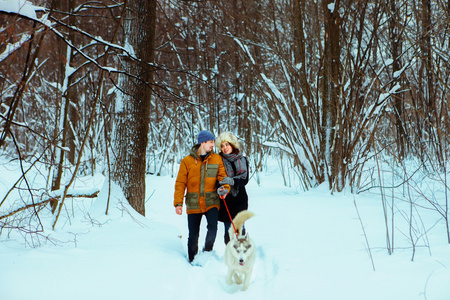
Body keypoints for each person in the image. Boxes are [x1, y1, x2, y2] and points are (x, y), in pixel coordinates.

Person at [174, 130, 230, 263]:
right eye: (211, 142)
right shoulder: (187, 161)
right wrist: (178, 203)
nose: (213, 145)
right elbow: (180, 183)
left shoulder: (216, 158)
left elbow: (223, 177)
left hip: (212, 201)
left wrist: (225, 188)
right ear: (202, 142)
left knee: (212, 228)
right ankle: (192, 260)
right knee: (193, 235)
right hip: (193, 203)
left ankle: (207, 252)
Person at [215, 132, 250, 244]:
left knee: (240, 228)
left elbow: (244, 180)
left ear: (233, 145)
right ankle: (230, 253)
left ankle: (242, 253)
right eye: (222, 145)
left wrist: (231, 181)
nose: (225, 148)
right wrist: (219, 189)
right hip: (227, 199)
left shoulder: (242, 159)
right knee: (228, 230)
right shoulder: (218, 161)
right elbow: (217, 180)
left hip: (240, 199)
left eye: (227, 144)